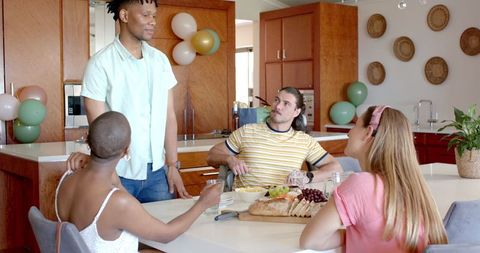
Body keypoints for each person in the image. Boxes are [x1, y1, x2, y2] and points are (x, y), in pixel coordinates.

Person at [68, 0, 191, 202]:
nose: (152, 22)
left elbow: (169, 116)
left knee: (160, 232)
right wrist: (109, 173)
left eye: (154, 16)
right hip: (117, 172)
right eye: (145, 15)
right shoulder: (100, 64)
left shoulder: (160, 61)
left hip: (158, 174)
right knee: (119, 233)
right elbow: (98, 127)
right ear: (124, 16)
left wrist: (173, 165)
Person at [56, 111, 222, 253]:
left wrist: (117, 182)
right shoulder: (118, 203)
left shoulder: (66, 180)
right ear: (127, 150)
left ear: (87, 140)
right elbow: (166, 235)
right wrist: (202, 204)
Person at [299, 106, 448, 252]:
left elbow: (310, 240)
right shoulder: (416, 187)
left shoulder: (360, 185)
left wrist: (353, 234)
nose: (349, 133)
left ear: (368, 133)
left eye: (355, 126)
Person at [207, 87, 342, 188]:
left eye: (286, 103)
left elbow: (336, 168)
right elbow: (211, 156)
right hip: (246, 204)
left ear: (297, 112)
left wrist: (308, 177)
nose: (278, 106)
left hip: (284, 203)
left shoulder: (304, 141)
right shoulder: (247, 131)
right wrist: (229, 159)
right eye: (276, 100)